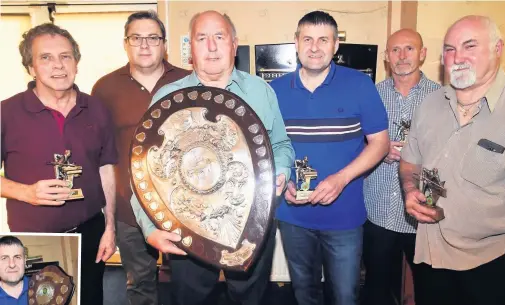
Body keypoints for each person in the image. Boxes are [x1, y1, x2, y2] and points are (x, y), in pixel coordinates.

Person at [130, 10, 295, 305]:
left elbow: (281, 144)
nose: (211, 46)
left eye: (219, 37)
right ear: (189, 48)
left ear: (234, 44)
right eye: (201, 38)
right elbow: (142, 169)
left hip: (251, 223)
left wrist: (280, 172)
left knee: (251, 299)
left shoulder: (261, 91)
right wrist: (150, 227)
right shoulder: (168, 98)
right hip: (185, 228)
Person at [270, 11, 389, 305]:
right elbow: (266, 147)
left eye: (324, 40)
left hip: (344, 217)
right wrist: (282, 180)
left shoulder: (360, 85)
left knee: (345, 295)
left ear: (336, 45)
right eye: (307, 39)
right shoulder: (274, 91)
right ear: (295, 43)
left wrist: (341, 179)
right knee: (304, 292)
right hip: (292, 214)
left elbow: (380, 143)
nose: (315, 47)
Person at [0, 23, 117, 305]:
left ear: (76, 62)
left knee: (91, 299)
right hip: (35, 239)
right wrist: (25, 192)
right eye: (46, 58)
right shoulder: (6, 113)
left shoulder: (97, 108)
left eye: (66, 56)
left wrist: (110, 226)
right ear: (30, 67)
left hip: (91, 231)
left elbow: (107, 168)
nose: (58, 66)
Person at [400, 15, 505, 305]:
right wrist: (411, 190)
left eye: (469, 45)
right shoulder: (429, 104)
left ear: (498, 48)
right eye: (450, 49)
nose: (457, 57)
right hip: (429, 255)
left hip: (491, 264)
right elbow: (410, 162)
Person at [92, 11, 189, 305]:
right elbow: (100, 155)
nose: (145, 45)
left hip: (184, 208)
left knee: (188, 285)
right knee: (140, 284)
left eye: (153, 38)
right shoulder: (105, 89)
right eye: (137, 38)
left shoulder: (188, 81)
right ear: (126, 44)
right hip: (128, 211)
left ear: (164, 44)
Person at [362, 29, 440, 305]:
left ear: (423, 53)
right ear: (386, 57)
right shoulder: (370, 95)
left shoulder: (443, 98)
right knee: (376, 288)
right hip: (378, 210)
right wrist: (378, 151)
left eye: (409, 49)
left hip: (423, 212)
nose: (403, 56)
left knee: (431, 288)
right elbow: (355, 145)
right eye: (395, 50)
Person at [0, 236, 29, 305]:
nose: (12, 265)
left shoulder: (41, 287)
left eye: (17, 257)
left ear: (25, 261)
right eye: (4, 258)